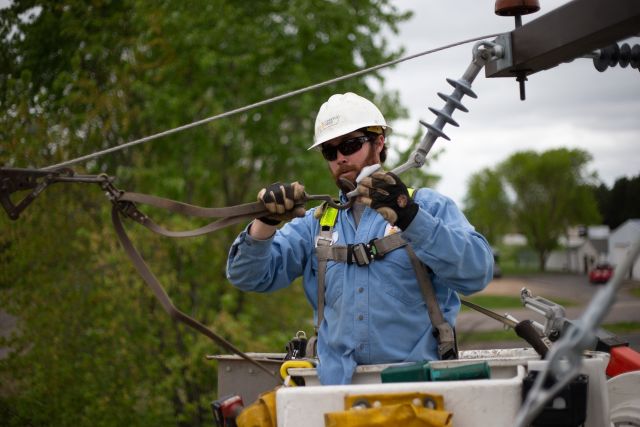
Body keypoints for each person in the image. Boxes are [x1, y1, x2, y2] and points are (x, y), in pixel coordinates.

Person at [226, 92, 493, 385]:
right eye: (330, 151)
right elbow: (247, 276)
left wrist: (409, 217)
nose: (340, 157)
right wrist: (266, 221)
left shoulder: (428, 208)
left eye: (351, 145)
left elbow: (476, 273)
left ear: (379, 142)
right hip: (336, 391)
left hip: (415, 389)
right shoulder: (316, 224)